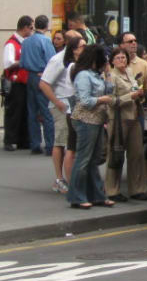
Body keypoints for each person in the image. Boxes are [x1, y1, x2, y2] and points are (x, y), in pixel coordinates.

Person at [68, 44, 115, 209]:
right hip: (85, 120)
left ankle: (97, 195)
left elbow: (110, 89)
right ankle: (77, 196)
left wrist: (108, 73)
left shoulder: (97, 75)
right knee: (83, 159)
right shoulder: (83, 75)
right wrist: (102, 100)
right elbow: (85, 101)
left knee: (94, 160)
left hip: (96, 120)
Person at [39, 32, 84, 194]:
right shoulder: (58, 59)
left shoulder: (77, 60)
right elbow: (44, 83)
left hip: (72, 105)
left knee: (70, 143)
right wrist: (58, 103)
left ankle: (70, 178)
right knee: (62, 142)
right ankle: (59, 179)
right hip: (62, 104)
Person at [104, 46, 147, 202]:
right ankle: (112, 190)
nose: (122, 60)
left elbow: (136, 90)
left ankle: (137, 189)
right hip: (118, 119)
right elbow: (111, 101)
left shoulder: (129, 72)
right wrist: (131, 96)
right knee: (115, 154)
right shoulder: (111, 77)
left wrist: (139, 95)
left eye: (124, 57)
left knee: (137, 154)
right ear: (112, 61)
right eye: (118, 58)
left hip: (134, 116)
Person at [117, 32, 147, 186]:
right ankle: (114, 187)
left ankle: (137, 187)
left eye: (135, 40)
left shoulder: (143, 64)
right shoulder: (114, 62)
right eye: (129, 41)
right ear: (121, 45)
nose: (133, 43)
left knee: (136, 151)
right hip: (119, 111)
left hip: (137, 110)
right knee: (117, 151)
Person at [20, 14, 56, 155]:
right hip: (42, 76)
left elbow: (22, 63)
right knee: (47, 112)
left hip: (30, 76)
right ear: (46, 26)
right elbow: (52, 61)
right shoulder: (45, 41)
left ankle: (35, 144)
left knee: (32, 111)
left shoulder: (26, 41)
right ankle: (50, 146)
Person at [2, 15, 33, 151]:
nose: (32, 31)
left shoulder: (24, 42)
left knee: (24, 111)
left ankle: (23, 140)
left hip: (24, 82)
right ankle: (9, 140)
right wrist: (23, 62)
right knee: (14, 112)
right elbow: (8, 63)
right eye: (31, 28)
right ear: (25, 28)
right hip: (15, 83)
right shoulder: (11, 44)